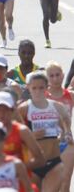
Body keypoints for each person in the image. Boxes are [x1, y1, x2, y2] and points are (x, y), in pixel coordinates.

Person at [0, 91, 46, 192]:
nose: (2, 114)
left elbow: (41, 159)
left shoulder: (22, 131)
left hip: (20, 187)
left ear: (13, 111)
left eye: (6, 109)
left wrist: (16, 169)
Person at [18, 71, 72, 191]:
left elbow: (66, 121)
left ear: (47, 88)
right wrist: (30, 135)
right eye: (34, 88)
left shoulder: (56, 106)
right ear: (28, 88)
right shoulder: (24, 108)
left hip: (54, 161)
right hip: (33, 161)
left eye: (41, 88)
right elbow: (14, 133)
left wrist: (65, 134)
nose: (38, 91)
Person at [45, 61, 74, 192]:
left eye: (58, 75)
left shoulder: (70, 95)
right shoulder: (43, 96)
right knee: (49, 182)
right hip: (47, 142)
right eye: (51, 76)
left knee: (65, 179)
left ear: (63, 76)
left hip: (67, 142)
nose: (55, 79)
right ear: (47, 78)